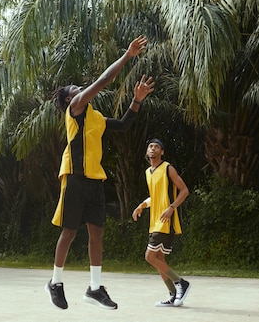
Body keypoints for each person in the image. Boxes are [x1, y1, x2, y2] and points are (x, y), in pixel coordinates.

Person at [45, 35, 155, 311]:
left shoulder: (94, 117)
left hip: (94, 180)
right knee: (69, 232)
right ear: (71, 97)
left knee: (97, 234)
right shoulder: (76, 108)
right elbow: (104, 80)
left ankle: (94, 288)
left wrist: (136, 100)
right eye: (77, 88)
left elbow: (123, 125)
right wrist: (128, 55)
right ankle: (55, 282)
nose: (81, 89)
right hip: (74, 177)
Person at [132, 138, 191, 307]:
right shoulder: (148, 172)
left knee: (150, 256)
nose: (153, 148)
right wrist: (142, 205)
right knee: (159, 259)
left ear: (162, 152)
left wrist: (172, 207)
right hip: (155, 221)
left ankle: (181, 283)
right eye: (150, 146)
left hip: (166, 220)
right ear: (147, 151)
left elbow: (184, 190)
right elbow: (156, 197)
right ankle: (173, 294)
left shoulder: (167, 168)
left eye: (157, 146)